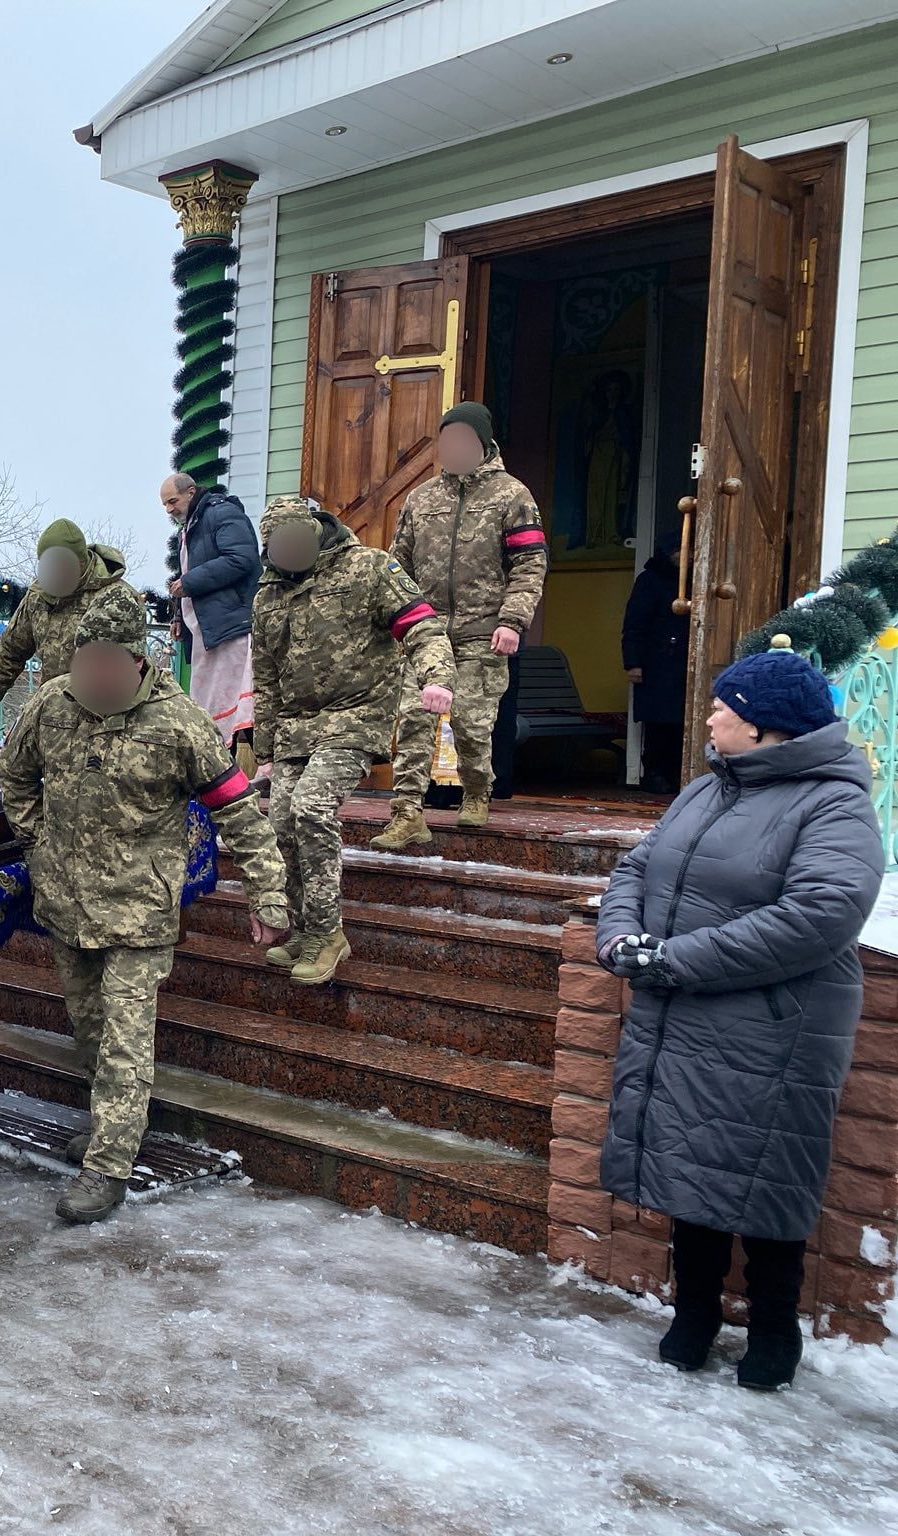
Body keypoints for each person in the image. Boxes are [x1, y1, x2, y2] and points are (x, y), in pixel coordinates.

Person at [597, 645, 882, 1391]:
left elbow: (821, 915)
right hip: (685, 1013)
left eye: (723, 707)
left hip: (773, 1026)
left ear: (762, 727)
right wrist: (621, 939)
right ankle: (694, 1311)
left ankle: (774, 1326)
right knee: (690, 1161)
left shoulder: (833, 803)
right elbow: (636, 868)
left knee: (767, 1174)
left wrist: (674, 959)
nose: (711, 718)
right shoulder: (706, 788)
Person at [1, 602, 290, 1223]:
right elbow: (15, 774)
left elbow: (237, 811)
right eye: (84, 662)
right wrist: (36, 842)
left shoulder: (178, 722)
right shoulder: (51, 704)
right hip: (67, 903)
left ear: (137, 661)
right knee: (90, 1029)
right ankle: (114, 1125)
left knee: (125, 1038)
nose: (92, 675)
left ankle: (108, 1166)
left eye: (105, 664)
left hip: (140, 910)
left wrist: (268, 893)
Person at [252, 497, 454, 986]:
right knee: (280, 822)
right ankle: (303, 929)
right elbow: (266, 679)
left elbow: (421, 624)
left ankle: (328, 934)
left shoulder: (369, 568)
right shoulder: (267, 596)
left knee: (311, 807)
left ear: (315, 532)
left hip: (356, 717)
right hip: (296, 727)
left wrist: (436, 676)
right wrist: (265, 752)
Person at [373, 402, 547, 848]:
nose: (452, 448)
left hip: (482, 632)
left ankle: (476, 790)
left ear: (483, 444)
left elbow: (530, 563)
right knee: (413, 721)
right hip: (425, 633)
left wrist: (513, 621)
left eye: (462, 439)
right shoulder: (421, 498)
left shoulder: (512, 495)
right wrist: (396, 618)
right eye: (446, 440)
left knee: (471, 723)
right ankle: (407, 812)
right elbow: (398, 564)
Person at [0, 520, 146, 748]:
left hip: (104, 724)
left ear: (80, 563)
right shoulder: (38, 596)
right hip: (51, 717)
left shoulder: (118, 598)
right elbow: (11, 653)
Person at [161, 473, 262, 772]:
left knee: (240, 702)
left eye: (172, 501)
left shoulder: (222, 513)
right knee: (214, 703)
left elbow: (241, 558)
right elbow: (189, 574)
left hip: (232, 627)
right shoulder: (190, 528)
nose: (169, 509)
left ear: (191, 492)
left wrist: (190, 583)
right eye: (164, 504)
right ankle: (223, 774)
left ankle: (260, 770)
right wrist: (179, 616)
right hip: (207, 632)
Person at [622, 544, 690, 793]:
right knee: (659, 721)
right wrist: (633, 663)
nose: (690, 557)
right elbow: (635, 624)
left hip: (684, 661)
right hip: (658, 662)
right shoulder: (650, 580)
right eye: (684, 551)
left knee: (682, 720)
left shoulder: (696, 580)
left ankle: (677, 774)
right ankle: (654, 773)